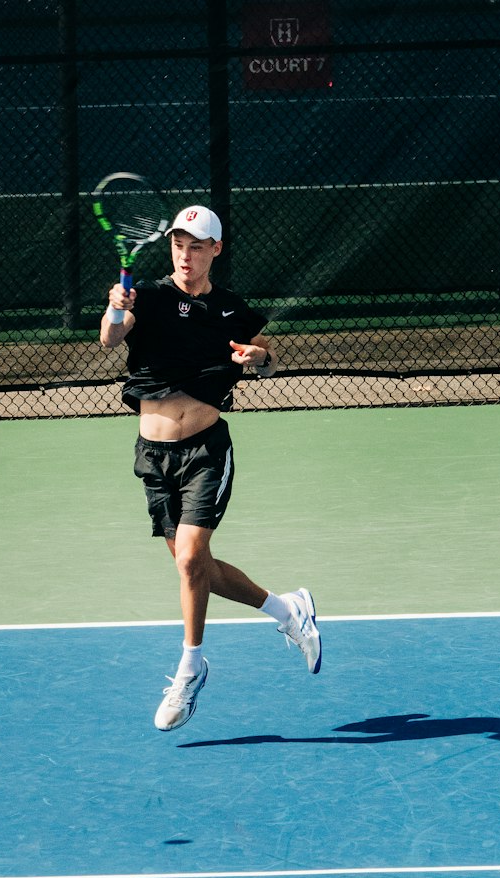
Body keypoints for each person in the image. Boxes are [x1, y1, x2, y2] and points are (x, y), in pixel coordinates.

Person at [99, 204, 321, 732]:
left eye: (196, 246)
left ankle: (190, 667)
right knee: (193, 568)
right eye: (178, 244)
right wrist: (114, 308)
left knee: (193, 557)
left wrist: (257, 358)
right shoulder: (146, 298)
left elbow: (268, 359)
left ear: (215, 251)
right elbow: (111, 338)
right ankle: (288, 612)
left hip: (205, 451)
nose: (185, 254)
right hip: (153, 457)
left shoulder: (231, 310)